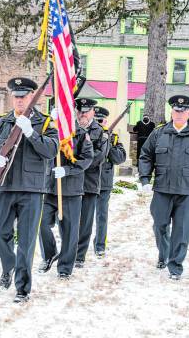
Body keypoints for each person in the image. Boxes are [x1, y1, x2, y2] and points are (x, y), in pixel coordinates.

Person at [0, 77, 59, 303]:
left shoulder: (44, 123)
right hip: (5, 186)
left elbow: (50, 151)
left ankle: (22, 289)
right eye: (16, 97)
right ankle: (9, 266)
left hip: (32, 190)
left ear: (33, 97)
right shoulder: (2, 122)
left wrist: (31, 133)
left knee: (26, 241)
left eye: (24, 96)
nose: (19, 101)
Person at [138, 95, 189, 280]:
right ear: (171, 111)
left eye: (183, 111)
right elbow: (146, 156)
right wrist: (145, 180)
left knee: (181, 231)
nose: (179, 114)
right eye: (176, 110)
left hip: (186, 192)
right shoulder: (159, 133)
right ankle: (163, 255)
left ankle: (175, 266)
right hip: (162, 190)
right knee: (160, 226)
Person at [38, 117, 94, 280]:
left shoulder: (81, 134)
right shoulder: (50, 130)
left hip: (71, 189)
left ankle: (65, 266)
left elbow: (87, 158)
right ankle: (49, 254)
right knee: (41, 223)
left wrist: (67, 170)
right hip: (49, 187)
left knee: (69, 231)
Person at [74, 98, 108, 268]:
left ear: (93, 112)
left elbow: (97, 159)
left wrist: (76, 162)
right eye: (80, 111)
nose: (83, 114)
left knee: (85, 222)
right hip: (70, 183)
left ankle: (79, 256)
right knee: (69, 221)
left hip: (90, 183)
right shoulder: (69, 129)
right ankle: (67, 251)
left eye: (86, 111)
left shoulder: (101, 133)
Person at [93, 106, 126, 257]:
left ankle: (100, 246)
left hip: (104, 183)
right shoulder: (88, 135)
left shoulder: (113, 138)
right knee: (82, 217)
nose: (99, 123)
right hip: (87, 181)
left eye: (101, 120)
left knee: (101, 216)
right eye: (96, 120)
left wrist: (108, 143)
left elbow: (120, 158)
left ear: (106, 121)